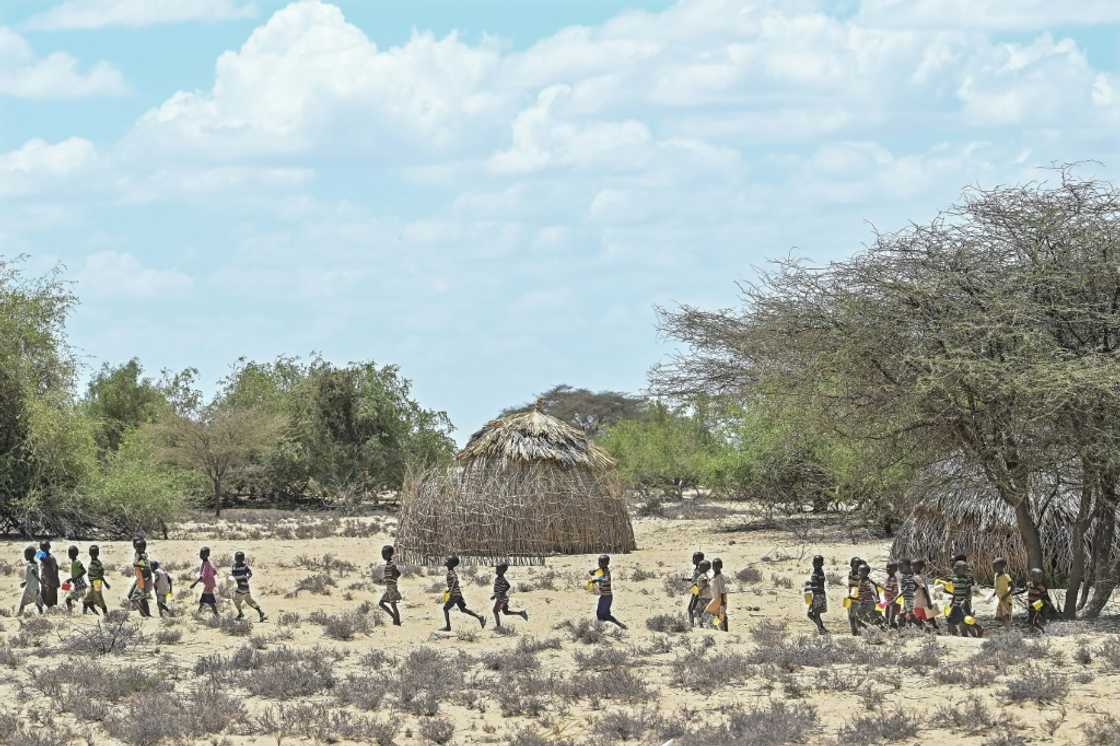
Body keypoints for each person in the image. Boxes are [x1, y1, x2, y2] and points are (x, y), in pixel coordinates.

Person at [440, 556, 485, 631]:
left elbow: (454, 580)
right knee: (463, 609)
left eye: (448, 561)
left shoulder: (450, 572)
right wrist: (449, 590)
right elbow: (455, 581)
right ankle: (479, 617)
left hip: (454, 594)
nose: (446, 562)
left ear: (451, 564)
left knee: (445, 609)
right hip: (458, 594)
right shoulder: (452, 571)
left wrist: (450, 591)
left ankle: (448, 627)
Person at [588, 554, 627, 630]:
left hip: (606, 596)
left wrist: (597, 580)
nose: (599, 563)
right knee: (604, 614)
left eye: (601, 562)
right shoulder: (602, 569)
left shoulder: (606, 571)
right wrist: (593, 571)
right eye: (599, 562)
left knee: (602, 614)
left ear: (607, 563)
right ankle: (615, 626)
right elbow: (597, 570)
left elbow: (605, 579)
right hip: (605, 596)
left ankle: (618, 625)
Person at [946, 560, 982, 638]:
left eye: (966, 569)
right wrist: (952, 602)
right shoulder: (953, 579)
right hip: (956, 604)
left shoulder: (967, 579)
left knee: (965, 620)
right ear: (957, 569)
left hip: (964, 603)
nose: (965, 571)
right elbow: (954, 592)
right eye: (963, 569)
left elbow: (968, 591)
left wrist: (965, 600)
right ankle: (957, 635)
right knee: (952, 620)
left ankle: (978, 628)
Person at [231, 551, 267, 622]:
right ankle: (260, 612)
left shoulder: (234, 566)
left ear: (235, 558)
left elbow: (233, 575)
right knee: (249, 601)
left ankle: (240, 613)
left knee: (235, 599)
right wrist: (247, 578)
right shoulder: (245, 566)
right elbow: (250, 573)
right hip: (246, 587)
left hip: (240, 587)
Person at [491, 562, 529, 628]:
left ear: (503, 571)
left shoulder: (502, 579)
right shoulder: (498, 578)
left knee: (495, 611)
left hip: (502, 599)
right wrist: (495, 595)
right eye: (496, 569)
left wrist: (502, 592)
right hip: (502, 598)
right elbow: (498, 589)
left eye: (498, 569)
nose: (496, 571)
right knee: (506, 612)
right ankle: (521, 613)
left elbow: (508, 586)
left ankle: (498, 626)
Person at [912, 559, 940, 633]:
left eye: (914, 566)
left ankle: (927, 630)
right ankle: (936, 630)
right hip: (923, 600)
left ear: (920, 567)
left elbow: (923, 589)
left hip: (919, 601)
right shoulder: (922, 576)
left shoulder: (916, 578)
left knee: (919, 618)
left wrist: (929, 602)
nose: (912, 567)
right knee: (930, 617)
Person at [852, 563, 881, 635]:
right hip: (863, 602)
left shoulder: (867, 581)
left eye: (860, 571)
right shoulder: (861, 580)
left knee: (863, 614)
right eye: (858, 571)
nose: (858, 572)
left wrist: (877, 597)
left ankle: (870, 627)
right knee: (860, 614)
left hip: (868, 602)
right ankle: (868, 628)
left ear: (866, 573)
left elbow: (873, 589)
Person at [190, 546, 219, 617]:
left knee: (210, 601)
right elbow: (214, 571)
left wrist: (194, 584)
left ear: (207, 555)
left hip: (209, 585)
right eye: (201, 553)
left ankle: (216, 615)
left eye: (203, 554)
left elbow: (202, 576)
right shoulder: (207, 562)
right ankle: (198, 613)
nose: (201, 555)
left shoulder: (206, 564)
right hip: (209, 584)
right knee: (203, 600)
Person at [378, 545, 402, 626]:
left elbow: (398, 573)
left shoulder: (391, 564)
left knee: (393, 605)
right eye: (383, 554)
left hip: (391, 587)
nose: (383, 555)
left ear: (390, 554)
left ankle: (397, 622)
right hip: (389, 587)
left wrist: (393, 580)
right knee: (382, 603)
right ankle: (395, 618)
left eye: (385, 554)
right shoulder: (388, 564)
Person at [129, 537, 153, 617]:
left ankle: (145, 614)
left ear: (144, 548)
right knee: (133, 596)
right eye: (136, 546)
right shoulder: (137, 554)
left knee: (136, 598)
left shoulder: (142, 557)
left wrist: (137, 565)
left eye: (139, 547)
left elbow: (146, 568)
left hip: (143, 579)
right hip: (139, 578)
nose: (137, 548)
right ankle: (146, 614)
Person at [805, 555, 828, 635]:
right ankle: (822, 628)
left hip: (819, 595)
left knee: (816, 614)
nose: (815, 564)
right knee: (810, 614)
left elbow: (820, 587)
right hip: (815, 596)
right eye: (814, 562)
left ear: (821, 564)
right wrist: (810, 583)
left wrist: (810, 588)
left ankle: (821, 630)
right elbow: (816, 583)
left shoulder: (820, 573)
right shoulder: (816, 572)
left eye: (817, 563)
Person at [18, 546, 43, 616]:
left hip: (29, 589)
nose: (24, 556)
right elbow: (31, 577)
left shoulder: (30, 565)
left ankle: (19, 615)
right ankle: (42, 615)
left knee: (22, 604)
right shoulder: (36, 564)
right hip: (36, 589)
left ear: (29, 555)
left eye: (25, 554)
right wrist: (25, 582)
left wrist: (40, 580)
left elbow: (33, 572)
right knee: (38, 604)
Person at [84, 545, 109, 616]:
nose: (93, 555)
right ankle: (84, 614)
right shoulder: (92, 562)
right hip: (92, 584)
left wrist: (105, 582)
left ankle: (106, 615)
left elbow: (101, 574)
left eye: (95, 553)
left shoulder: (98, 563)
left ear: (97, 554)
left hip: (97, 583)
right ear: (89, 553)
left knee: (100, 599)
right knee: (86, 599)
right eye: (92, 553)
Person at [1024, 568, 1051, 633]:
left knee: (1034, 620)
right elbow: (1024, 590)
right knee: (1031, 620)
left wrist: (1047, 603)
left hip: (1037, 605)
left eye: (1040, 577)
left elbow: (1045, 596)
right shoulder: (1029, 584)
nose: (1040, 579)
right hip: (1030, 605)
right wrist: (1014, 593)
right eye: (1038, 577)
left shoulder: (1041, 587)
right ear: (1032, 577)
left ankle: (1042, 630)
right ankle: (1033, 630)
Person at [64, 545, 89, 614]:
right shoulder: (74, 562)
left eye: (69, 553)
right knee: (84, 599)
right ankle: (85, 612)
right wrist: (70, 579)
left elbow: (84, 571)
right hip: (79, 585)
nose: (68, 554)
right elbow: (76, 574)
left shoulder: (77, 562)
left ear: (71, 555)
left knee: (68, 599)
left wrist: (74, 578)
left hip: (79, 585)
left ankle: (70, 612)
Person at [706, 558, 729, 632]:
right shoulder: (714, 576)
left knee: (707, 613)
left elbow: (723, 591)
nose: (715, 567)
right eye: (714, 565)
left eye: (717, 566)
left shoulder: (720, 577)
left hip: (719, 598)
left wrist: (722, 603)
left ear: (721, 566)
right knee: (719, 615)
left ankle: (717, 628)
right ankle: (721, 630)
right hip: (715, 598)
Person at [686, 551, 706, 627]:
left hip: (697, 591)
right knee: (695, 609)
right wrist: (687, 579)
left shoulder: (699, 570)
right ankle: (699, 625)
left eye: (695, 558)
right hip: (695, 590)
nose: (693, 560)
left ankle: (692, 625)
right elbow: (695, 579)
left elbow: (700, 581)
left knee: (691, 609)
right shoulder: (697, 569)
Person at [992, 558, 1013, 628]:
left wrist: (1006, 595)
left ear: (1002, 566)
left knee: (1006, 615)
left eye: (996, 566)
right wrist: (994, 593)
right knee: (1000, 616)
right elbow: (997, 586)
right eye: (993, 566)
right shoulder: (996, 575)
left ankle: (1009, 630)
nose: (994, 568)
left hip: (1006, 600)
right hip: (1000, 600)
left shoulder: (1006, 576)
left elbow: (1012, 587)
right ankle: (1006, 628)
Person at [39, 541, 60, 609]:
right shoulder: (42, 556)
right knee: (42, 598)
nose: (43, 549)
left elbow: (53, 570)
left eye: (45, 548)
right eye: (42, 548)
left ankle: (51, 613)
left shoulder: (51, 558)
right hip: (44, 581)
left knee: (50, 601)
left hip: (50, 582)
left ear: (49, 548)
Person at [846, 556, 862, 635]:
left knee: (853, 615)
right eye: (856, 565)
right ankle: (854, 630)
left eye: (859, 565)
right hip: (850, 597)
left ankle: (855, 630)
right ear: (851, 565)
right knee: (850, 615)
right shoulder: (851, 574)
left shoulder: (860, 576)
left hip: (856, 597)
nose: (858, 567)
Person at [898, 558, 916, 628]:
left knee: (907, 615)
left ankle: (921, 625)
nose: (899, 569)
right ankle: (904, 628)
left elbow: (907, 588)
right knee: (905, 615)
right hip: (906, 599)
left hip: (910, 599)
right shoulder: (905, 575)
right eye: (899, 567)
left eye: (901, 567)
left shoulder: (909, 576)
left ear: (908, 566)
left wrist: (897, 597)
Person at [882, 561, 900, 629]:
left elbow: (896, 590)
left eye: (889, 568)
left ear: (895, 570)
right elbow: (886, 587)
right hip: (887, 600)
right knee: (887, 613)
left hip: (892, 600)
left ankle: (893, 626)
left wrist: (892, 595)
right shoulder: (888, 578)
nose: (887, 569)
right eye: (887, 567)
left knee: (891, 615)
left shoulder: (893, 579)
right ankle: (888, 625)